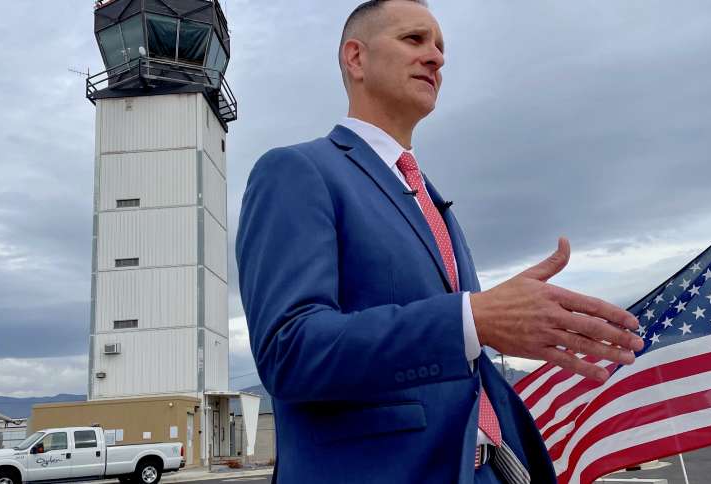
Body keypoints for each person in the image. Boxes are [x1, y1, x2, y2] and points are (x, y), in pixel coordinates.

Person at [235, 1, 645, 482]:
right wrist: (474, 318)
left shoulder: (430, 200)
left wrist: (505, 322)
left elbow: (458, 357)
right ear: (356, 58)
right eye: (414, 40)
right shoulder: (297, 171)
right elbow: (290, 350)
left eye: (441, 47)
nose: (436, 58)